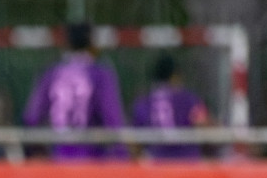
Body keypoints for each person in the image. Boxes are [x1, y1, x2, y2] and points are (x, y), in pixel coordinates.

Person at [22, 23, 126, 161]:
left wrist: (34, 152)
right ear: (92, 43)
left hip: (58, 158)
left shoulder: (51, 73)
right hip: (92, 160)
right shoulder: (100, 73)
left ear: (66, 43)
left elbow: (31, 118)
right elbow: (113, 119)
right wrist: (121, 155)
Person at [130, 54, 210, 160]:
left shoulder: (143, 102)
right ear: (175, 75)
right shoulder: (189, 99)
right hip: (187, 163)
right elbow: (204, 126)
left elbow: (135, 142)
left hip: (156, 165)